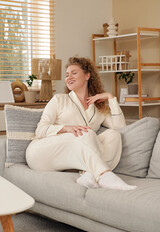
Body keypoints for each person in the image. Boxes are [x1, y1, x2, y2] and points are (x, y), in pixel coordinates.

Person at [26, 57, 136, 191]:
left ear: (87, 75)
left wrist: (110, 98)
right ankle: (105, 175)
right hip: (42, 153)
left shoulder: (99, 107)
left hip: (71, 158)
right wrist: (66, 128)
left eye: (74, 73)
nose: (68, 77)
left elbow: (120, 128)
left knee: (113, 135)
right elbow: (40, 130)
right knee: (87, 132)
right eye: (67, 75)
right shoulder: (59, 99)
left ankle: (89, 176)